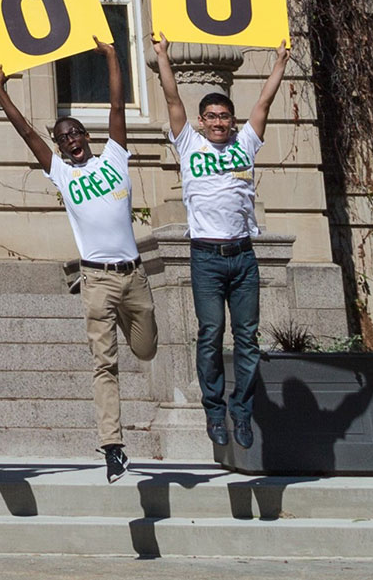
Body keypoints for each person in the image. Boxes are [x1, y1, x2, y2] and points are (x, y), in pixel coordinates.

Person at [0, 39, 158, 482]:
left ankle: (132, 324)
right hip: (97, 280)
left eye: (75, 134)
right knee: (105, 363)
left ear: (87, 136)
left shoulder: (115, 159)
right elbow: (27, 132)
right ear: (60, 148)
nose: (70, 142)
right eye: (62, 139)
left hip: (134, 277)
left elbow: (118, 105)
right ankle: (113, 447)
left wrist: (110, 57)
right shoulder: (61, 173)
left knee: (146, 348)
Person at [154, 32, 289, 449]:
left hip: (243, 256)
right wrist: (163, 57)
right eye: (210, 116)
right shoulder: (188, 142)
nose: (217, 122)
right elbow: (173, 100)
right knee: (211, 333)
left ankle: (242, 412)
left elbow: (263, 104)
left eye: (223, 117)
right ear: (201, 121)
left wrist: (280, 63)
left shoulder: (245, 143)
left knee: (247, 338)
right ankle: (214, 412)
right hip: (207, 257)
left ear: (232, 121)